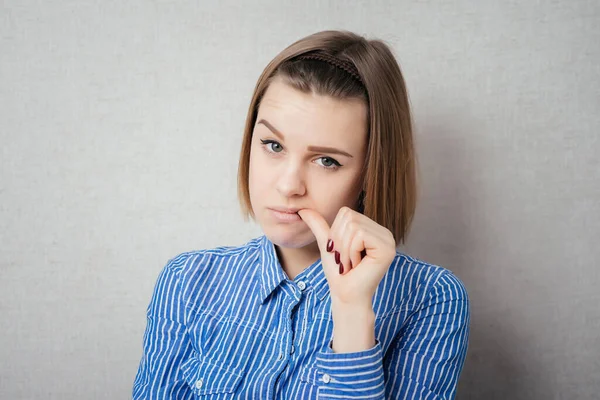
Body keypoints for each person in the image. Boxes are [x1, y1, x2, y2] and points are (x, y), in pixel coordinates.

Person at [132, 30, 470, 399]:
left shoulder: (431, 299)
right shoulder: (187, 282)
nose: (289, 185)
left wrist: (352, 312)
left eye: (327, 161)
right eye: (273, 145)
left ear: (371, 173)